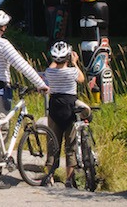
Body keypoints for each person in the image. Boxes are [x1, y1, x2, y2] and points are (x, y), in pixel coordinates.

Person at [0, 10, 49, 126]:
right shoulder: (2, 44)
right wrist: (40, 84)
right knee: (1, 129)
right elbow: (22, 66)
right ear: (2, 27)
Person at [44, 41, 91, 188]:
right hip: (69, 108)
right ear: (68, 56)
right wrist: (75, 62)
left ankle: (49, 175)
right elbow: (82, 79)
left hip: (54, 107)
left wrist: (54, 61)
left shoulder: (49, 72)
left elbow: (51, 68)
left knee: (53, 143)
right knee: (70, 145)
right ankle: (69, 179)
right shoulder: (72, 71)